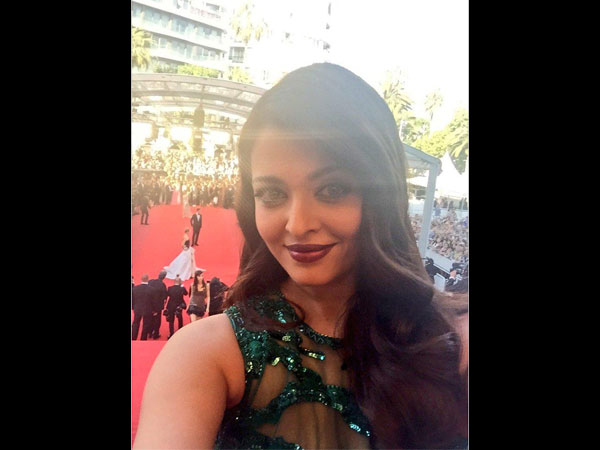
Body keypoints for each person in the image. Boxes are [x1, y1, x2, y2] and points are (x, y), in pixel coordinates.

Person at [134, 63, 468, 449]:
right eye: (272, 194)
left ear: (381, 196)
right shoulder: (205, 355)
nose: (298, 224)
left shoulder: (452, 344)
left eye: (332, 190)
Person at [131, 274, 155, 340]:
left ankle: (133, 337)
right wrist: (154, 309)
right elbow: (153, 301)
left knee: (135, 323)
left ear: (141, 279)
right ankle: (143, 338)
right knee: (146, 324)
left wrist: (133, 307)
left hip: (137, 309)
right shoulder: (152, 289)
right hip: (148, 309)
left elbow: (132, 299)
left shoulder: (135, 288)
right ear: (148, 280)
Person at [148, 270, 168, 340]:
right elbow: (164, 296)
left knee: (150, 318)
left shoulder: (151, 281)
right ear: (164, 277)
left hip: (150, 304)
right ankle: (155, 334)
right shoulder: (163, 285)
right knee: (157, 320)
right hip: (158, 306)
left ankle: (150, 332)